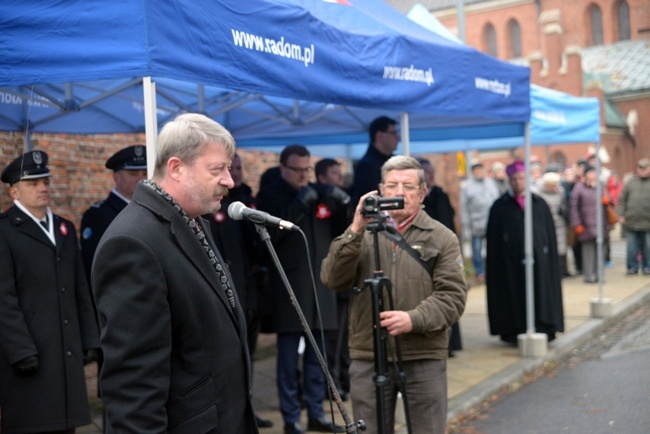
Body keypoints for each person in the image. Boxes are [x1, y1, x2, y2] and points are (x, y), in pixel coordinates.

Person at [91, 113, 258, 433]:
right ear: (176, 168)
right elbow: (132, 391)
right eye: (217, 169)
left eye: (228, 168)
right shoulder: (133, 243)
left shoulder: (192, 221)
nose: (230, 181)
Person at [321, 156, 467, 434]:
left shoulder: (441, 237)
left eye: (408, 186)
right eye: (392, 185)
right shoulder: (361, 234)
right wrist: (355, 229)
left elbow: (453, 297)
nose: (399, 192)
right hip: (368, 353)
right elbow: (332, 278)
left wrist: (414, 319)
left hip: (423, 353)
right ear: (380, 190)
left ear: (422, 193)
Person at [0, 150, 100, 433]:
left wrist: (89, 339)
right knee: (34, 424)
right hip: (29, 353)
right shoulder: (5, 231)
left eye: (45, 181)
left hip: (64, 352)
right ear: (14, 191)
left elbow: (80, 288)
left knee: (65, 425)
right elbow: (3, 299)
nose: (43, 187)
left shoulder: (64, 227)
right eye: (33, 183)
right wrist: (20, 350)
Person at [256, 145, 346, 434]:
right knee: (287, 360)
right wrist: (298, 204)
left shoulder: (319, 192)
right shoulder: (272, 195)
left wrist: (340, 205)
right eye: (297, 170)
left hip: (320, 289)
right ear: (283, 167)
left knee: (319, 358)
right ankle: (292, 418)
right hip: (291, 291)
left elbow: (340, 233)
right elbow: (267, 240)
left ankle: (316, 413)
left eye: (307, 169)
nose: (303, 175)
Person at [203, 153, 274, 429]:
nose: (236, 174)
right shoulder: (214, 206)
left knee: (247, 357)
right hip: (222, 297)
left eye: (239, 168)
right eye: (230, 168)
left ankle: (248, 408)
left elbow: (251, 255)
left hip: (247, 293)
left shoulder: (245, 203)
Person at [486, 161, 564, 344]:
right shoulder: (500, 206)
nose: (517, 183)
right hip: (510, 262)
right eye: (513, 179)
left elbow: (548, 234)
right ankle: (514, 329)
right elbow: (494, 240)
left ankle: (543, 325)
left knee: (539, 291)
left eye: (521, 178)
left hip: (538, 260)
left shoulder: (539, 203)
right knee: (514, 293)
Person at [80, 145, 148, 284]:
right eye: (133, 174)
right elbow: (94, 265)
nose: (141, 179)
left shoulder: (151, 209)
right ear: (117, 177)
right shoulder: (98, 215)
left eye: (145, 173)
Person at [315, 157, 352, 401]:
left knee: (343, 334)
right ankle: (333, 382)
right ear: (322, 178)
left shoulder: (343, 199)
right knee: (331, 335)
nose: (340, 177)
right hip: (326, 277)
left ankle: (344, 379)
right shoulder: (319, 201)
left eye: (341, 173)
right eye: (334, 173)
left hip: (344, 274)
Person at [418, 157, 463, 357]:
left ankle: (450, 343)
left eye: (432, 173)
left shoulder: (440, 196)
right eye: (427, 173)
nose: (431, 177)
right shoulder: (418, 200)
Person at [460, 159, 500, 284]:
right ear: (472, 172)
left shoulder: (491, 183)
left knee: (493, 248)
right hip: (476, 223)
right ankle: (479, 272)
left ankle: (493, 269)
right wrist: (466, 225)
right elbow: (464, 207)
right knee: (476, 249)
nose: (479, 172)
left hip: (492, 222)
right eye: (476, 170)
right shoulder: (466, 187)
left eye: (481, 169)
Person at [570, 165, 611, 283]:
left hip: (601, 225)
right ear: (585, 174)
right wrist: (577, 223)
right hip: (586, 225)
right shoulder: (579, 188)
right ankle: (588, 276)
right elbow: (573, 207)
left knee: (601, 252)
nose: (593, 175)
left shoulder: (601, 186)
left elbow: (610, 201)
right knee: (588, 252)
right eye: (591, 172)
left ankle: (600, 276)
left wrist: (607, 201)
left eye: (595, 172)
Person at [350, 116, 399, 203]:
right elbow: (370, 202)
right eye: (393, 133)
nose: (398, 137)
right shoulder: (366, 166)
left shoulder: (395, 161)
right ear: (380, 136)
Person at [617, 158, 650, 275]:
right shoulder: (631, 183)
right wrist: (620, 214)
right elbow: (622, 200)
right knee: (631, 248)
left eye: (645, 168)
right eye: (640, 168)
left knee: (648, 247)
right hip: (631, 221)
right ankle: (632, 267)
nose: (642, 170)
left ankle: (647, 267)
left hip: (647, 222)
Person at [533, 172, 569, 278]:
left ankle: (561, 271)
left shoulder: (561, 191)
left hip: (559, 222)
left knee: (561, 247)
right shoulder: (537, 193)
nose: (555, 188)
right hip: (544, 224)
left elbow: (564, 203)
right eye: (553, 186)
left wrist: (563, 210)